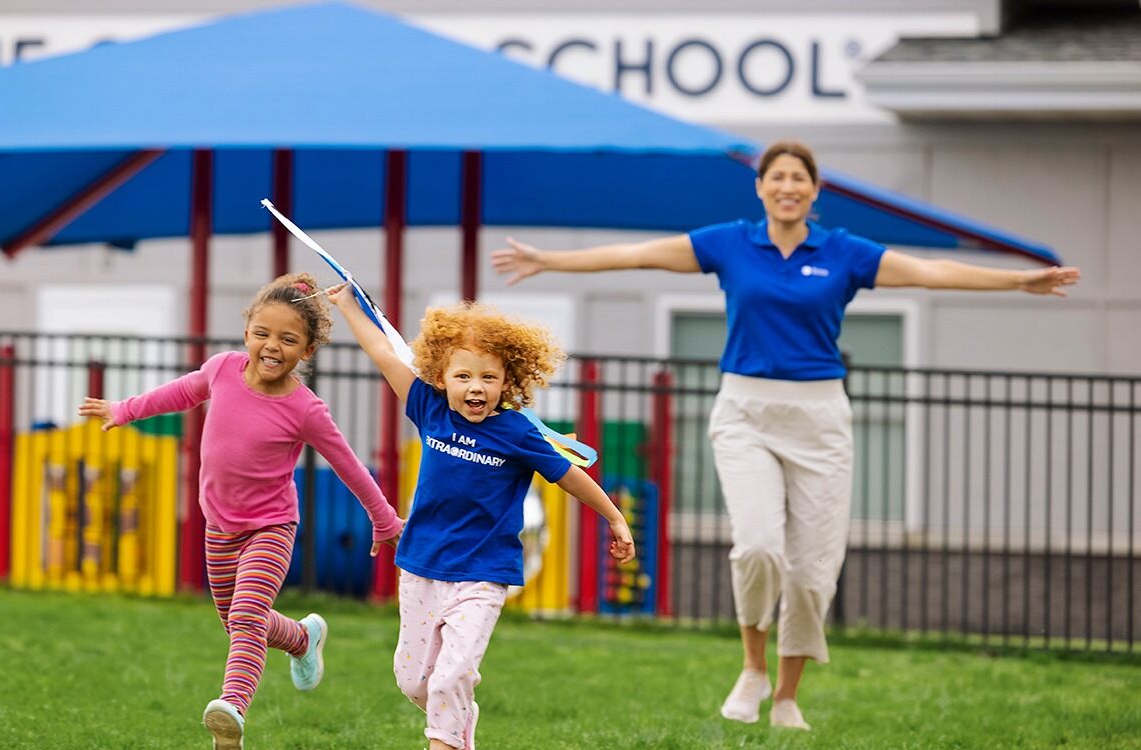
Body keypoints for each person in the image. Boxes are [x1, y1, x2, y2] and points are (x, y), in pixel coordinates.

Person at [491, 140, 1080, 731]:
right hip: (745, 410)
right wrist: (553, 261)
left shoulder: (844, 252)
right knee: (759, 546)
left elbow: (930, 271)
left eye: (800, 178)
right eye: (778, 177)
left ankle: (788, 698)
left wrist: (1016, 284)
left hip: (820, 419)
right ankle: (752, 667)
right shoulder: (730, 243)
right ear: (761, 187)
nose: (789, 187)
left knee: (812, 568)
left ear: (815, 190)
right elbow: (640, 254)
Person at [77, 273, 404, 750]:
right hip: (219, 524)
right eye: (263, 334)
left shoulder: (306, 409)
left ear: (307, 350)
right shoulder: (223, 369)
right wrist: (124, 409)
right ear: (247, 332)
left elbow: (349, 466)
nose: (272, 347)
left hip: (271, 527)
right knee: (237, 620)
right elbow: (181, 392)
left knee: (248, 616)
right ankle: (302, 638)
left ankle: (230, 713)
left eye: (288, 339)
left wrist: (385, 519)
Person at [326, 285, 636, 750]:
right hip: (420, 567)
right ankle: (460, 722)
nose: (476, 387)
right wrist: (348, 305)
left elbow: (569, 476)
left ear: (506, 382)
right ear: (442, 377)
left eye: (489, 378)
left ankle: (445, 736)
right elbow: (383, 354)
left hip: (482, 574)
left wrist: (614, 518)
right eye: (464, 376)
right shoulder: (429, 408)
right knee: (415, 682)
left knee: (450, 677)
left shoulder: (515, 431)